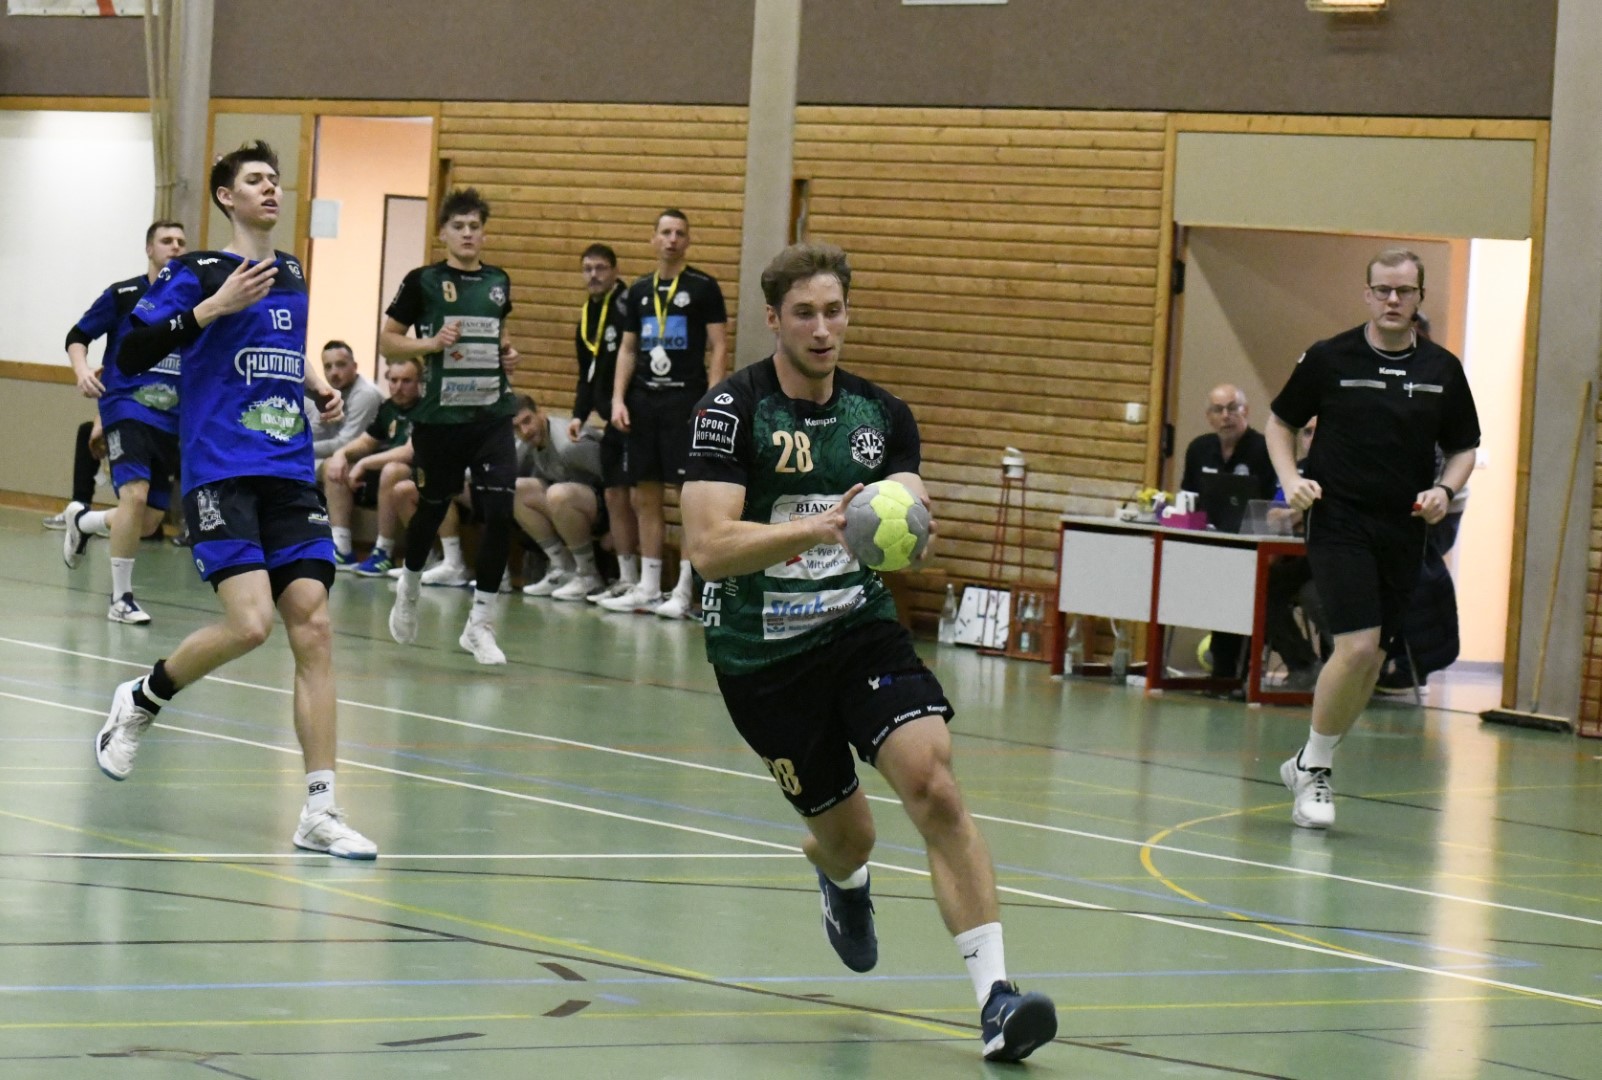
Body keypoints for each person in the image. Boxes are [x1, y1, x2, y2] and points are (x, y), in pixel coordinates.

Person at [680, 243, 1057, 1062]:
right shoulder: (732, 411)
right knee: (851, 836)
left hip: (858, 629)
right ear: (774, 319)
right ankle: (840, 876)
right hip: (762, 658)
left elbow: (906, 496)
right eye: (804, 314)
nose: (823, 329)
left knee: (935, 785)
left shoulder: (881, 414)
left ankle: (997, 999)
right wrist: (815, 528)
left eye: (834, 311)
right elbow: (708, 548)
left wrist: (907, 520)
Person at [92, 140, 376, 859]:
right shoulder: (195, 272)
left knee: (313, 626)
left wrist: (315, 383)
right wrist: (211, 309)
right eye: (255, 180)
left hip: (288, 470)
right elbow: (131, 350)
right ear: (227, 197)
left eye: (276, 180)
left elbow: (281, 340)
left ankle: (320, 810)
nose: (271, 189)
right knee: (251, 625)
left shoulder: (292, 271)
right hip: (220, 469)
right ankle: (143, 697)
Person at [1268, 248, 1480, 830]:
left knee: (1372, 662)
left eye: (1404, 291)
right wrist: (1292, 480)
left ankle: (1308, 760)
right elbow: (1281, 423)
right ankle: (1317, 769)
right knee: (1357, 647)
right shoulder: (1329, 357)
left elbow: (1464, 447)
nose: (1392, 300)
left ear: (1418, 298)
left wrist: (1444, 490)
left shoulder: (1441, 369)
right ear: (1367, 294)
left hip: (1403, 527)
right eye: (1383, 290)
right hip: (1339, 519)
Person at [381, 188, 521, 665]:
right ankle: (410, 585)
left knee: (500, 513)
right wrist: (430, 344)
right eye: (458, 226)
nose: (467, 234)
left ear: (484, 233)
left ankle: (480, 625)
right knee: (430, 509)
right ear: (442, 232)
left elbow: (499, 334)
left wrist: (507, 354)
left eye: (474, 227)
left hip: (492, 416)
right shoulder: (423, 281)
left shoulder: (499, 281)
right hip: (441, 419)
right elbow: (388, 342)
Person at [60, 220, 189, 624]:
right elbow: (77, 335)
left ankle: (83, 521)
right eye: (166, 241)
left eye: (181, 242)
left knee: (147, 521)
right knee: (134, 496)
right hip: (126, 407)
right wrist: (82, 371)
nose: (175, 247)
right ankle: (121, 599)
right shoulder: (124, 295)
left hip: (170, 418)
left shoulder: (193, 302)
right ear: (149, 249)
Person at [603, 210, 728, 619]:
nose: (672, 239)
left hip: (685, 402)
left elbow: (719, 346)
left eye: (679, 233)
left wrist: (711, 400)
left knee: (688, 497)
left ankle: (684, 589)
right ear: (653, 239)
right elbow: (627, 349)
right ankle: (649, 586)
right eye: (665, 232)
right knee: (645, 495)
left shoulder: (703, 287)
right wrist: (618, 399)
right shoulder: (639, 291)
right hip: (644, 402)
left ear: (688, 241)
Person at [1179, 383, 1277, 682]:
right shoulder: (1199, 449)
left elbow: (1273, 503)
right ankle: (1222, 670)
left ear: (1246, 411)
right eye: (1218, 410)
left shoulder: (1264, 449)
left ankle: (1236, 671)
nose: (1226, 416)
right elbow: (1188, 496)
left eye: (1233, 408)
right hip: (1210, 546)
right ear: (1209, 416)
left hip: (1253, 548)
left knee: (1239, 588)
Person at [567, 243, 641, 603]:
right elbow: (588, 372)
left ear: (614, 271)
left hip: (634, 415)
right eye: (587, 269)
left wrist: (624, 403)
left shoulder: (628, 306)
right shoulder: (588, 313)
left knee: (639, 497)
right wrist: (579, 414)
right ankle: (626, 578)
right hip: (609, 418)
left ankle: (646, 580)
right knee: (613, 494)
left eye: (600, 268)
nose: (593, 275)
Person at [323, 356, 422, 577]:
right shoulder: (389, 407)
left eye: (406, 381)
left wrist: (364, 463)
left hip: (418, 473)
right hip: (387, 470)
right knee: (334, 465)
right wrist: (341, 454)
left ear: (419, 382)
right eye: (393, 380)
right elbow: (367, 441)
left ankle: (384, 552)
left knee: (392, 469)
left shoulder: (426, 408)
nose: (398, 387)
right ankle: (341, 548)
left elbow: (409, 452)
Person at [513, 394, 608, 599]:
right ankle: (563, 568)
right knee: (516, 490)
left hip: (604, 510)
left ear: (540, 413)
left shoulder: (570, 445)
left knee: (557, 493)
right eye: (517, 427)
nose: (525, 431)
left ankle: (589, 576)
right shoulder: (527, 443)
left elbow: (615, 480)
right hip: (569, 506)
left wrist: (618, 529)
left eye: (527, 421)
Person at [311, 340, 382, 565]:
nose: (334, 372)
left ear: (355, 366)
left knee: (333, 467)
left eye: (341, 365)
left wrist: (299, 448)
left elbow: (348, 442)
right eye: (328, 366)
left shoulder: (365, 394)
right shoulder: (328, 393)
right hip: (343, 457)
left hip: (370, 462)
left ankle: (342, 547)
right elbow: (314, 432)